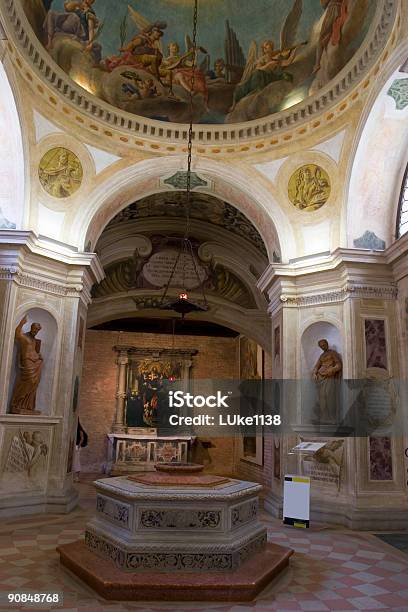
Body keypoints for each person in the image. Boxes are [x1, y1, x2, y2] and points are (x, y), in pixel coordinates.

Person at [10, 316, 43, 415]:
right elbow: (17, 334)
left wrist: (38, 356)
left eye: (38, 330)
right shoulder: (24, 337)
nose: (36, 331)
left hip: (35, 362)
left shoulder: (34, 340)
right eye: (35, 329)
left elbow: (33, 351)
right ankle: (17, 403)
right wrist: (21, 323)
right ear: (31, 327)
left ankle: (27, 406)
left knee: (34, 383)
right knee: (29, 380)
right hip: (27, 362)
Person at [312, 339, 342, 424]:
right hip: (321, 377)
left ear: (327, 344)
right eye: (321, 346)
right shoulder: (321, 356)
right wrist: (314, 373)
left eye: (324, 345)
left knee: (329, 397)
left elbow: (339, 365)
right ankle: (324, 417)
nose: (323, 347)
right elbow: (316, 366)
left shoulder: (333, 353)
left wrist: (332, 369)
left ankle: (332, 417)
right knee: (322, 398)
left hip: (329, 377)